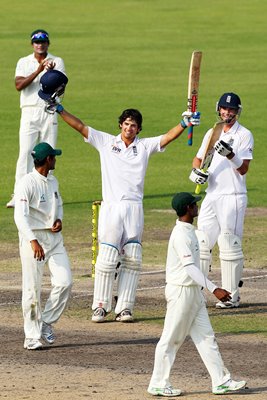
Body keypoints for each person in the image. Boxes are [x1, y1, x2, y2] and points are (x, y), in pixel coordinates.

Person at [37, 75, 201, 323]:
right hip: (112, 208)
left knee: (133, 258)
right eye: (125, 124)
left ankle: (125, 307)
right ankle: (100, 306)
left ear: (138, 129)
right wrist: (60, 109)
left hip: (134, 207)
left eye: (133, 125)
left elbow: (166, 137)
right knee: (107, 258)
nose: (129, 128)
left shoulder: (144, 146)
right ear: (120, 125)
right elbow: (81, 126)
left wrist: (183, 122)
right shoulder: (106, 142)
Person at [147, 192, 247, 397]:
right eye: (194, 205)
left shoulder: (189, 230)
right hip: (181, 292)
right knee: (171, 339)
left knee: (207, 338)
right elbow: (190, 268)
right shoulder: (181, 235)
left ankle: (221, 381)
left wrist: (205, 289)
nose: (196, 207)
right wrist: (214, 289)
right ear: (187, 209)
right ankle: (157, 383)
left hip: (193, 293)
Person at [189, 92, 254, 309]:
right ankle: (198, 292)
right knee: (202, 243)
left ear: (237, 111)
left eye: (232, 110)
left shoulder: (244, 134)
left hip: (233, 196)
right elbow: (199, 158)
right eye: (225, 109)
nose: (227, 112)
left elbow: (243, 169)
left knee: (229, 244)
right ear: (218, 109)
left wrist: (229, 154)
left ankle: (232, 295)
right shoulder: (213, 131)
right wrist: (196, 171)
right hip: (212, 194)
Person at [14, 142, 72, 350]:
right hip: (34, 241)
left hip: (54, 240)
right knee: (32, 290)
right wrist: (32, 240)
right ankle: (31, 336)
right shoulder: (27, 183)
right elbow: (20, 216)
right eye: (54, 157)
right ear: (48, 160)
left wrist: (59, 220)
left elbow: (60, 205)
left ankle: (45, 321)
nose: (56, 159)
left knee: (65, 282)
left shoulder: (53, 181)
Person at [6, 29, 66, 208]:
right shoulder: (24, 62)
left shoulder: (57, 61)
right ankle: (19, 194)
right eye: (36, 42)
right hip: (29, 111)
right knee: (25, 152)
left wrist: (50, 75)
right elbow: (19, 85)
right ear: (32, 44)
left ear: (48, 43)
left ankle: (48, 195)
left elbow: (61, 86)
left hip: (49, 110)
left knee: (49, 151)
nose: (40, 45)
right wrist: (39, 70)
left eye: (43, 41)